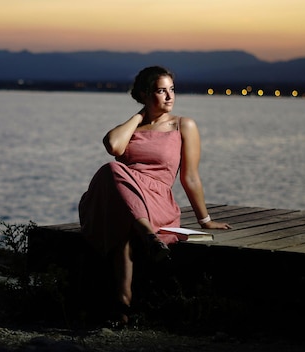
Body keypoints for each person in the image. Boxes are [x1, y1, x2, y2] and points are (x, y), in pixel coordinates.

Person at [78, 65, 231, 327]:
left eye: (172, 90)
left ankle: (124, 300)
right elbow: (113, 146)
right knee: (112, 170)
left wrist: (205, 220)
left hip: (157, 203)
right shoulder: (133, 127)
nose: (170, 97)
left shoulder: (183, 125)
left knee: (118, 198)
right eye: (161, 91)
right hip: (126, 200)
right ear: (145, 94)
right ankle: (125, 300)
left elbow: (190, 177)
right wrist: (139, 117)